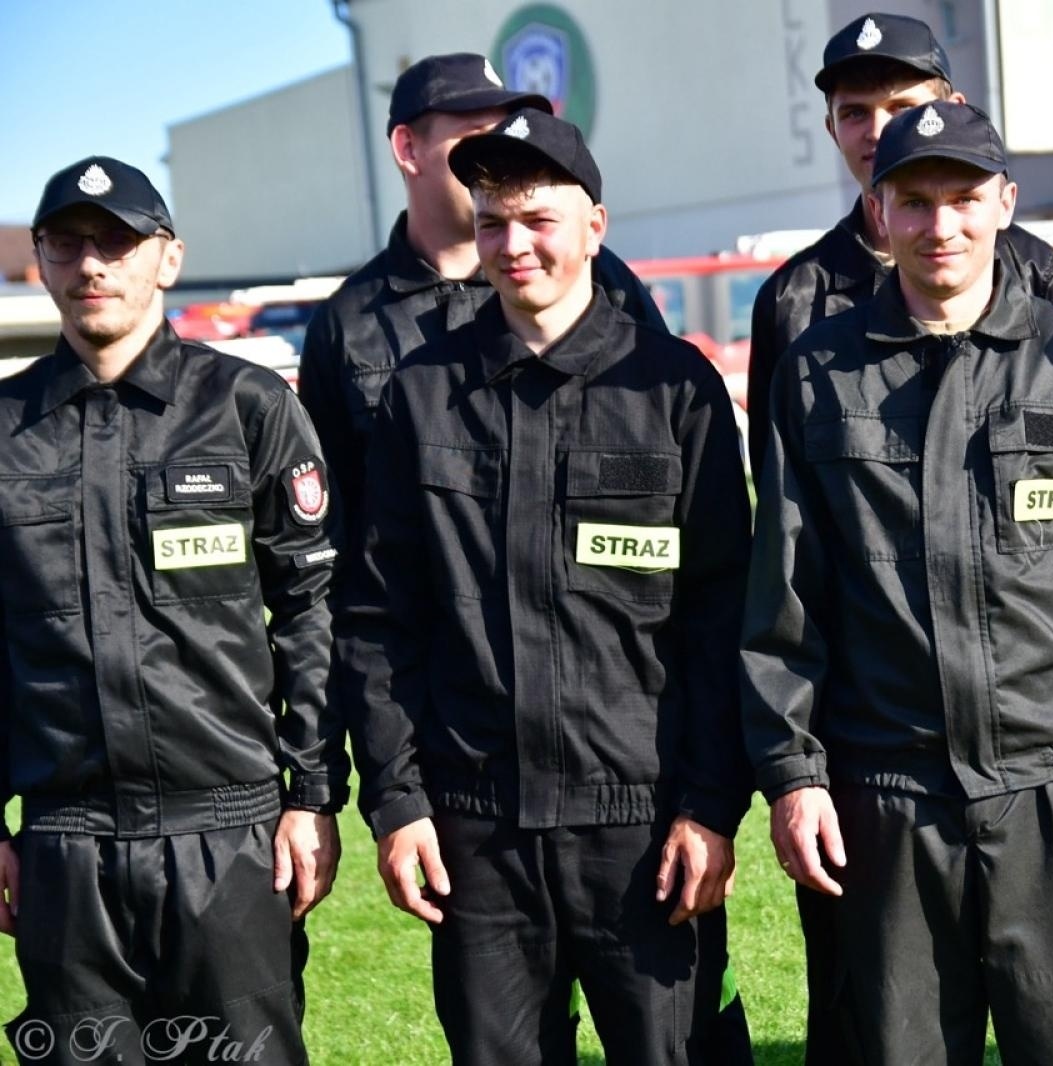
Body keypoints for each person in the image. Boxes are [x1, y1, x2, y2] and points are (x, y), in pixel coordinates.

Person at [743, 99, 1053, 1066]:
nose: (939, 225)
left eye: (962, 199)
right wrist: (794, 775)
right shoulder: (819, 374)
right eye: (914, 201)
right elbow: (783, 600)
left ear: (1005, 204)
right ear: (880, 210)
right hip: (888, 792)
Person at [336, 108, 753, 1065]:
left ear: (595, 227)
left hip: (643, 831)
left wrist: (709, 807)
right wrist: (398, 803)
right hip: (477, 834)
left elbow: (721, 619)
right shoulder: (421, 393)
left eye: (538, 220)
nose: (512, 245)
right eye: (491, 222)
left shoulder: (676, 392)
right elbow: (377, 618)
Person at [0, 157, 344, 1064]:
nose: (92, 265)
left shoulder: (247, 408)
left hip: (226, 837)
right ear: (39, 259)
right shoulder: (4, 427)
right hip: (66, 849)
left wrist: (311, 796)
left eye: (117, 242)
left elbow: (310, 611)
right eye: (67, 244)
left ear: (169, 257)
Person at [299, 52, 667, 553]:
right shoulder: (345, 323)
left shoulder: (599, 278)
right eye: (478, 135)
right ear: (408, 148)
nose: (501, 152)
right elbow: (331, 521)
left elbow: (664, 434)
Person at [745, 12, 1053, 481]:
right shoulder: (792, 301)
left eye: (903, 108)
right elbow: (780, 503)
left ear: (955, 110)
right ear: (830, 128)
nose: (877, 130)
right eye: (854, 113)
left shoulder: (1041, 276)